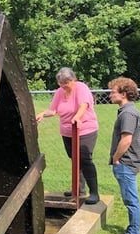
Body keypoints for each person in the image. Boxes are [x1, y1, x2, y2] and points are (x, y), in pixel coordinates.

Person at [35, 67, 100, 204]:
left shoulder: (81, 88)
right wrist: (42, 114)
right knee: (74, 158)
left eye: (66, 82)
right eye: (61, 83)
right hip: (67, 131)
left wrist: (77, 117)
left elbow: (84, 105)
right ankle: (78, 189)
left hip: (85, 129)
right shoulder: (59, 92)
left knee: (84, 159)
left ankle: (94, 193)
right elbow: (53, 111)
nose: (64, 85)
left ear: (73, 79)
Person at [108, 77, 140, 234]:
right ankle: (134, 230)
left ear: (123, 94)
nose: (110, 95)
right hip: (130, 161)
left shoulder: (128, 113)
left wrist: (116, 158)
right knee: (132, 198)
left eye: (113, 92)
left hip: (125, 163)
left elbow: (127, 139)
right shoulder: (132, 111)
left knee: (131, 200)